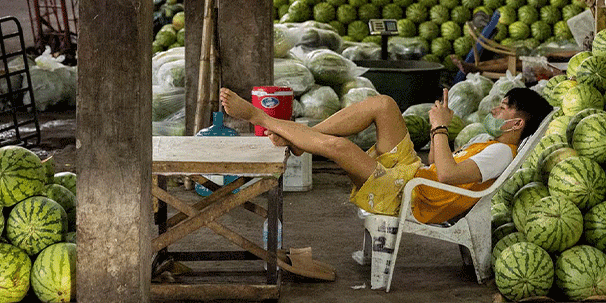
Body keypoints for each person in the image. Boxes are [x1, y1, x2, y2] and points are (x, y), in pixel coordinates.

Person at [219, 86, 551, 224]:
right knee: (384, 104)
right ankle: (304, 139)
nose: (494, 109)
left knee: (342, 149)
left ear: (517, 123)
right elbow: (438, 166)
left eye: (502, 107)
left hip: (411, 196)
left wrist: (438, 128)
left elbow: (447, 176)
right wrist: (440, 129)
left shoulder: (499, 153)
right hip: (415, 177)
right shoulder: (490, 146)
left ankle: (261, 117)